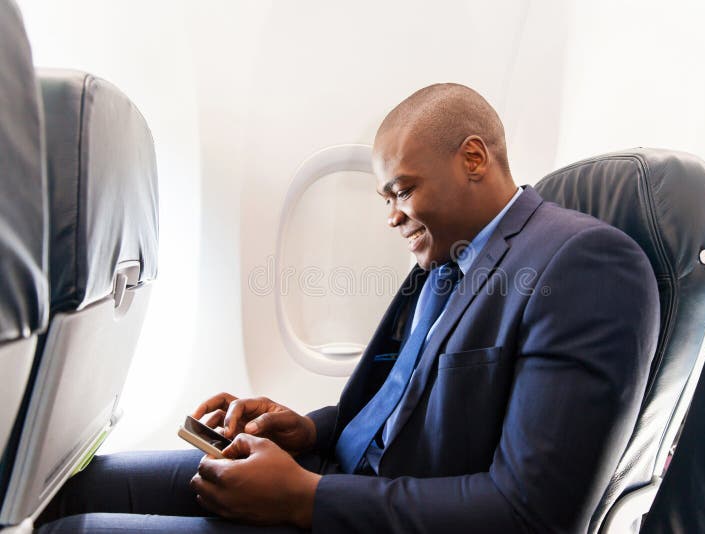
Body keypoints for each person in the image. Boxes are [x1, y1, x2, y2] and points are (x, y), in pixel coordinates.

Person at [37, 83, 659, 533]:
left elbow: (529, 513)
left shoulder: (584, 263)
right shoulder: (445, 263)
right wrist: (306, 429)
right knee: (68, 490)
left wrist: (304, 500)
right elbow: (399, 404)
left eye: (403, 190)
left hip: (367, 514)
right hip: (333, 474)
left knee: (76, 531)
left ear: (474, 158)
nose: (391, 215)